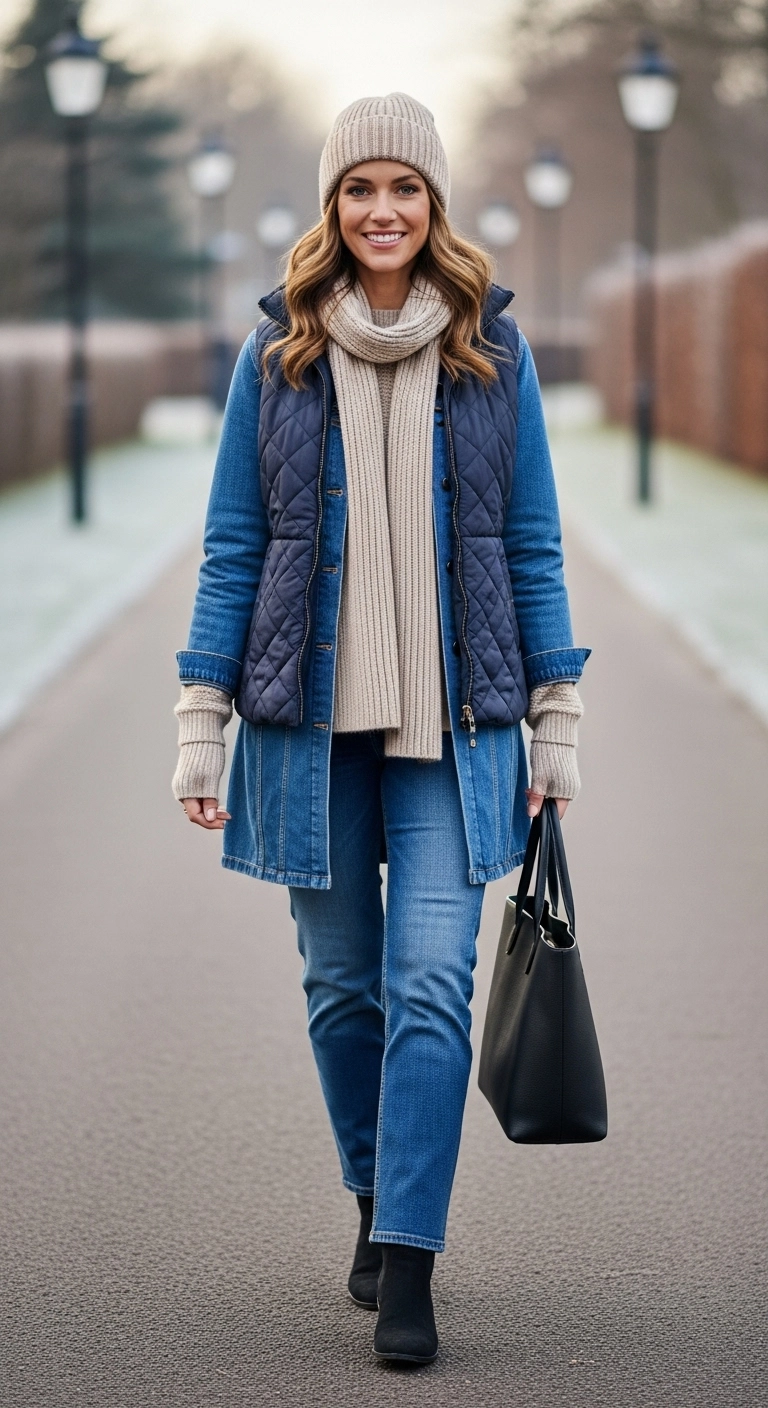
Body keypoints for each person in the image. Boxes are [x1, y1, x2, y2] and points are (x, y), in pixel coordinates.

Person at [172, 94, 589, 1365]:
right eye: (361, 189)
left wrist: (556, 722)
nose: (384, 211)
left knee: (428, 985)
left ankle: (409, 1255)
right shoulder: (279, 358)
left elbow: (529, 545)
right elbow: (236, 545)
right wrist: (202, 717)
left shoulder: (491, 355)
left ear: (436, 205)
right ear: (332, 206)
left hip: (459, 725)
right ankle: (371, 1194)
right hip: (310, 730)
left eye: (406, 189)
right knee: (343, 984)